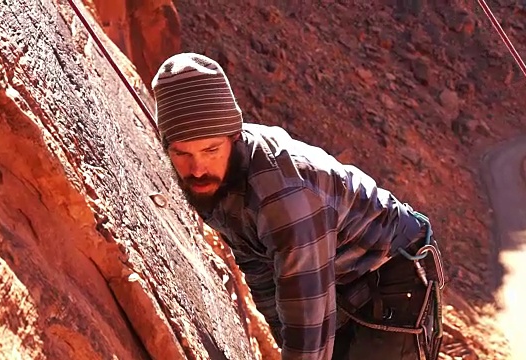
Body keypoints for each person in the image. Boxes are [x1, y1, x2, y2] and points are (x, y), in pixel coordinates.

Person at [151, 52, 445, 360]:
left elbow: (307, 311)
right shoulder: (214, 180)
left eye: (210, 150)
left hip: (393, 271)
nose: (197, 169)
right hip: (335, 272)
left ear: (235, 137)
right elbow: (259, 269)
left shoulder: (285, 196)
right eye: (182, 153)